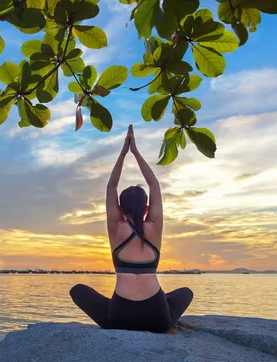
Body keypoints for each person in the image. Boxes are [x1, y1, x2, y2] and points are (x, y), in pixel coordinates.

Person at [69, 124, 193, 333]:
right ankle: (162, 312)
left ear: (119, 208)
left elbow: (111, 187)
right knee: (186, 292)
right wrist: (136, 151)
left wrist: (124, 152)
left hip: (119, 317)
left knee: (77, 290)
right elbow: (154, 185)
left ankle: (115, 310)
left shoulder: (116, 229)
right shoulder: (154, 227)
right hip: (158, 318)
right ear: (146, 208)